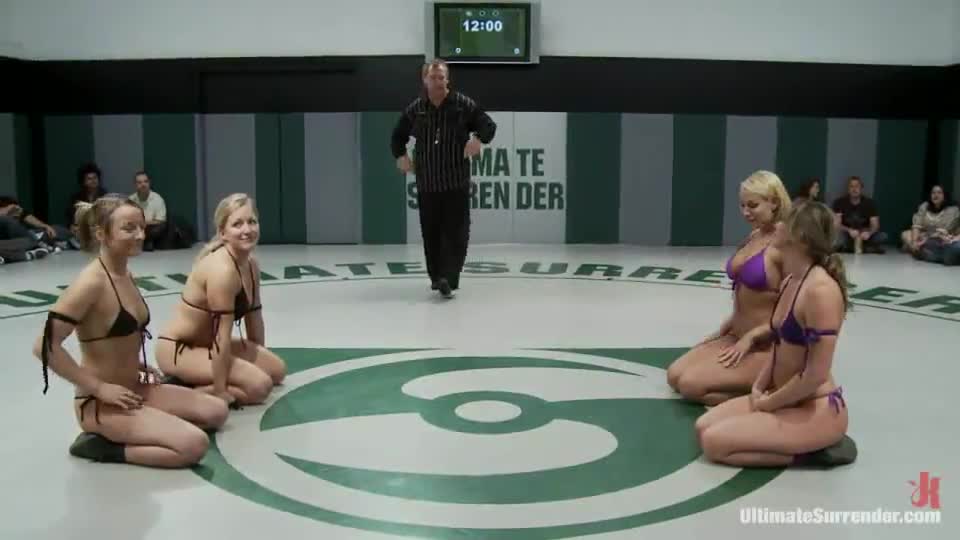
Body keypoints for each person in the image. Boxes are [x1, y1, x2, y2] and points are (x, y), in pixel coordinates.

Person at [32, 195, 228, 467]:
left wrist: (138, 365)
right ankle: (101, 447)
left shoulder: (125, 274)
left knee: (217, 411)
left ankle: (149, 424)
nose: (140, 235)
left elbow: (115, 338)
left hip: (134, 388)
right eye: (129, 228)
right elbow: (44, 346)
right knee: (194, 445)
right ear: (101, 234)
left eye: (141, 227)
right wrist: (99, 388)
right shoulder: (90, 284)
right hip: (100, 403)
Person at [695, 200, 856, 468]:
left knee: (715, 443)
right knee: (702, 427)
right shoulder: (791, 279)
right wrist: (759, 387)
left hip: (814, 407)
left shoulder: (820, 291)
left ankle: (816, 451)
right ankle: (790, 436)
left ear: (800, 237)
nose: (778, 224)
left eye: (786, 220)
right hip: (782, 396)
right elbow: (779, 343)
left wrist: (769, 403)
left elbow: (815, 375)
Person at [666, 171, 791, 405]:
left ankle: (773, 391)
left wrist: (752, 337)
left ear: (774, 202)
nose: (745, 212)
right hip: (736, 337)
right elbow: (747, 297)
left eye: (753, 205)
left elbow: (793, 312)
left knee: (691, 386)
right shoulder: (754, 236)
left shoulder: (786, 244)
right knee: (674, 375)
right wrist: (724, 330)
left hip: (768, 346)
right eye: (742, 205)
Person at [155, 193, 285, 407]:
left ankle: (198, 378)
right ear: (223, 233)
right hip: (180, 350)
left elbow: (254, 319)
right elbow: (221, 337)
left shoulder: (251, 265)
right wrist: (220, 389)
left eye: (252, 221)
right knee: (259, 387)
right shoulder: (222, 272)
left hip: (207, 345)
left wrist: (256, 360)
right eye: (237, 224)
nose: (247, 230)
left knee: (277, 371)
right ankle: (180, 390)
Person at [390, 59, 497, 298]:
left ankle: (449, 278)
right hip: (427, 183)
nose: (438, 82)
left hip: (455, 182)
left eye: (442, 77)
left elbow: (488, 125)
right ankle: (437, 278)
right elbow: (397, 136)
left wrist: (478, 139)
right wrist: (400, 155)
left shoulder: (462, 105)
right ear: (424, 80)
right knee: (432, 234)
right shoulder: (416, 109)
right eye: (433, 77)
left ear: (447, 80)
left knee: (456, 234)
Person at [901, 184, 959, 261]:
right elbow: (917, 225)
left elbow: (944, 230)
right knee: (905, 234)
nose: (935, 195)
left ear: (945, 195)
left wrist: (925, 239)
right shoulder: (925, 206)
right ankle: (915, 248)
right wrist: (914, 241)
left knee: (938, 242)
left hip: (944, 237)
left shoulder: (953, 210)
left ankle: (916, 250)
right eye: (933, 193)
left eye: (939, 193)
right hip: (924, 235)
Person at [831, 176, 886, 253]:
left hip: (864, 235)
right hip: (847, 234)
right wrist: (849, 230)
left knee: (882, 236)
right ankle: (865, 248)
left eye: (857, 186)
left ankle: (850, 248)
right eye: (851, 186)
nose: (854, 189)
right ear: (848, 189)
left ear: (861, 188)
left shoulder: (870, 203)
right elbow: (836, 224)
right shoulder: (839, 202)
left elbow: (875, 225)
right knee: (839, 238)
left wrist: (869, 233)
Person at [127, 170, 169, 251]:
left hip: (150, 227)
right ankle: (144, 242)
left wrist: (144, 223)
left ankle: (144, 241)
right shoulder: (130, 200)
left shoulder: (158, 199)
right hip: (135, 227)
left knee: (160, 227)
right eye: (139, 182)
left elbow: (160, 221)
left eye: (145, 181)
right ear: (135, 185)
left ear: (149, 183)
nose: (143, 184)